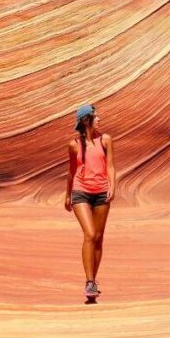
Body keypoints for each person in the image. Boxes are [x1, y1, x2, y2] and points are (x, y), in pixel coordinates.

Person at [64, 104, 115, 301]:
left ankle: (93, 280)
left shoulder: (105, 140)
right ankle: (89, 281)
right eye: (96, 116)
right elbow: (71, 171)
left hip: (101, 192)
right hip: (81, 192)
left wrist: (113, 186)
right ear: (86, 120)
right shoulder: (74, 145)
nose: (99, 119)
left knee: (99, 238)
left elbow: (110, 166)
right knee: (90, 234)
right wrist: (67, 195)